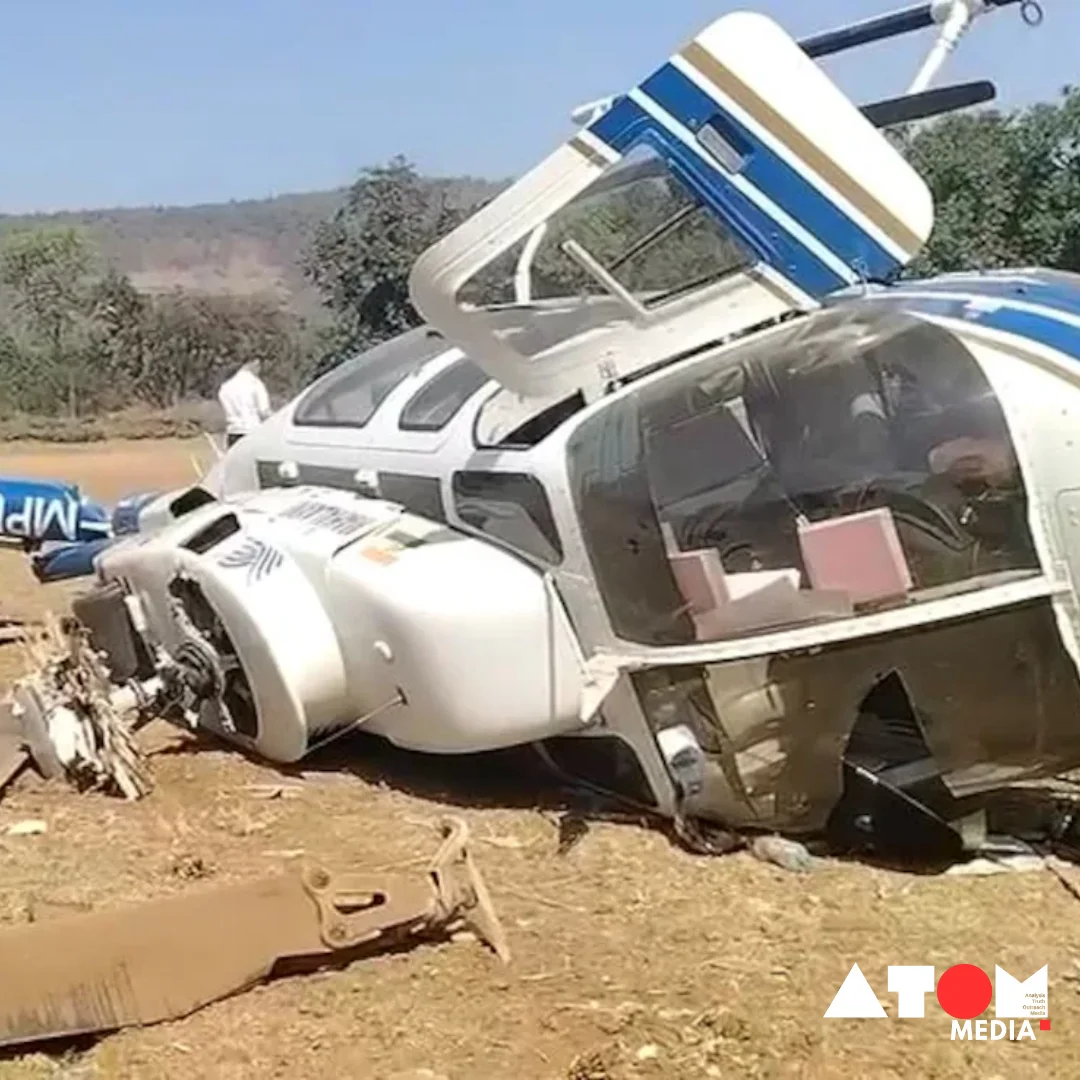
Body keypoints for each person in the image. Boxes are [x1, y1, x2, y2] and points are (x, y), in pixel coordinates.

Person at [217, 359, 271, 448]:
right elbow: (264, 412)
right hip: (252, 431)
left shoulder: (225, 387)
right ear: (255, 363)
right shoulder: (255, 384)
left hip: (233, 433)